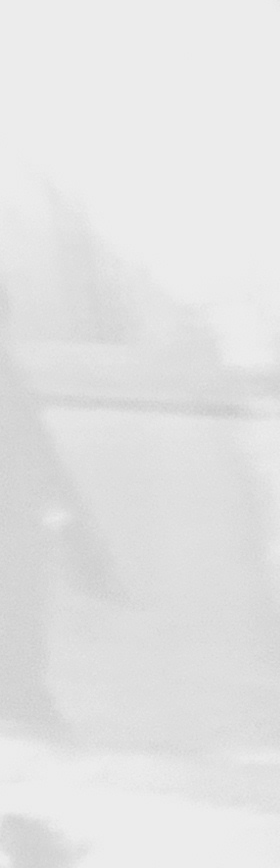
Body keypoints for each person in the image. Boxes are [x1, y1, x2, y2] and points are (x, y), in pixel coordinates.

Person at [0, 292, 111, 737]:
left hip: (18, 516)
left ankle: (23, 696)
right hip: (15, 518)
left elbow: (36, 451)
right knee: (20, 605)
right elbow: (36, 451)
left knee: (21, 605)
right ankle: (23, 698)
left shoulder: (9, 374)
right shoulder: (8, 378)